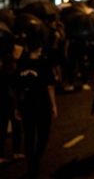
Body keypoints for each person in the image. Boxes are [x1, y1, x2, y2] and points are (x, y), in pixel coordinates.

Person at [15, 31, 58, 178]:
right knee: (43, 135)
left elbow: (17, 86)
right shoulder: (44, 62)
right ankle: (35, 160)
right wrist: (53, 105)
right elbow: (50, 85)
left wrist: (17, 107)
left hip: (26, 104)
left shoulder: (21, 62)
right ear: (40, 46)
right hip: (42, 103)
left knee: (29, 136)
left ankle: (31, 164)